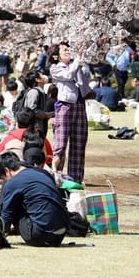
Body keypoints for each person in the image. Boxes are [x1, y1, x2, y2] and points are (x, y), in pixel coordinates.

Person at [0, 152, 68, 247]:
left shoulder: (13, 182)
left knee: (14, 203)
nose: (6, 181)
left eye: (4, 178)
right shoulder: (43, 173)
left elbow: (7, 215)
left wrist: (2, 233)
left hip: (39, 234)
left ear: (7, 171)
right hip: (60, 234)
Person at [49, 42, 91, 184]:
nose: (68, 52)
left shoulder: (75, 64)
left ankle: (75, 179)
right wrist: (77, 60)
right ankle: (56, 176)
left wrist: (95, 45)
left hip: (79, 104)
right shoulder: (55, 68)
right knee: (60, 144)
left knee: (79, 142)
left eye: (69, 49)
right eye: (64, 50)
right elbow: (68, 75)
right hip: (64, 106)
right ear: (57, 55)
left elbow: (87, 57)